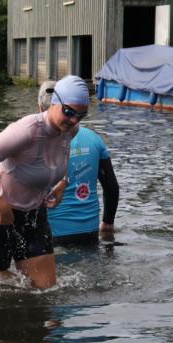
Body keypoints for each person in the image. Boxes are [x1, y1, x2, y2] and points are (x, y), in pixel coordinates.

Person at [0, 75, 89, 289]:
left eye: (81, 115)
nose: (74, 120)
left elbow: (59, 157)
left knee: (46, 291)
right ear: (55, 102)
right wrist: (0, 206)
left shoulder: (69, 130)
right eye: (69, 112)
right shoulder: (27, 130)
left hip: (34, 216)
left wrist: (62, 183)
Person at [38, 81, 119, 246]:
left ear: (40, 108)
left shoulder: (33, 140)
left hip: (51, 235)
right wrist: (107, 224)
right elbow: (111, 187)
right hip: (89, 232)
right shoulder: (94, 138)